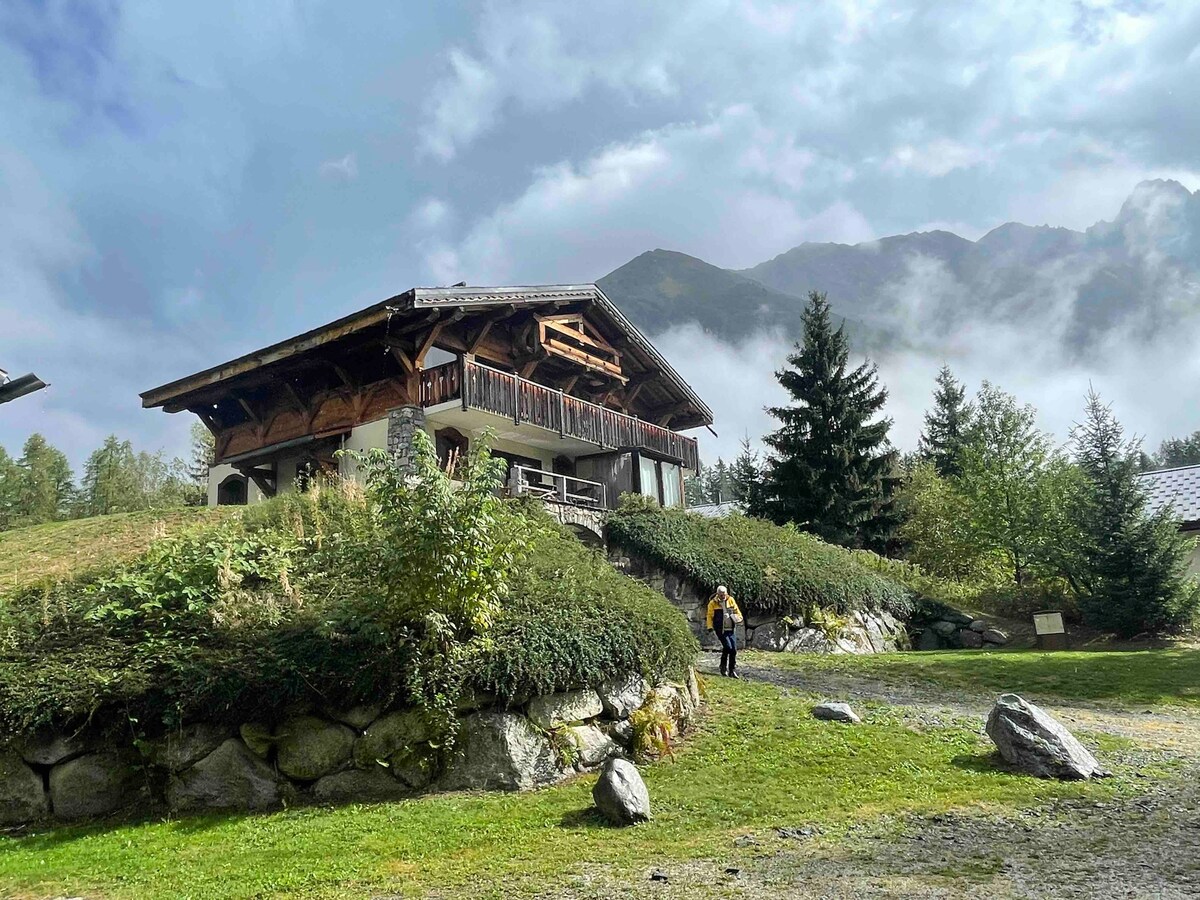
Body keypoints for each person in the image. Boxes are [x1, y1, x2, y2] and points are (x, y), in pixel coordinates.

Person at [705, 585, 743, 678]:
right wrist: (710, 626)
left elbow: (737, 611)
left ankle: (731, 670)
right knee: (728, 647)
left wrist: (739, 618)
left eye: (724, 594)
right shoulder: (712, 603)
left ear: (726, 593)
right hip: (720, 629)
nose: (723, 596)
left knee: (733, 650)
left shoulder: (731, 600)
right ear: (718, 594)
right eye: (721, 595)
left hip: (731, 628)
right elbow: (709, 616)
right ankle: (723, 667)